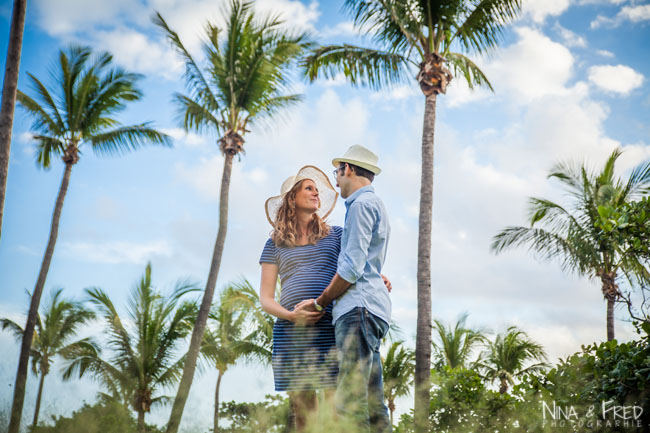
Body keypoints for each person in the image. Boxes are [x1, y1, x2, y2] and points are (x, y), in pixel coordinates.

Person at [295, 145, 392, 432]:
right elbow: (364, 258)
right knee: (374, 402)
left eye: (337, 172)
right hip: (373, 309)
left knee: (350, 401)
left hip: (357, 310)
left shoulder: (360, 206)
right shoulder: (375, 205)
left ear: (348, 169)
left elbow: (351, 269)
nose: (336, 181)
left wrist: (320, 302)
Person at [258, 165, 342, 432]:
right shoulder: (274, 243)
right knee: (304, 416)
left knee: (334, 412)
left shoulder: (336, 235)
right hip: (292, 333)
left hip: (330, 328)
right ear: (292, 199)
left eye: (317, 190)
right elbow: (266, 299)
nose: (316, 193)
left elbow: (355, 266)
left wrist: (379, 277)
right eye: (309, 188)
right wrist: (292, 315)